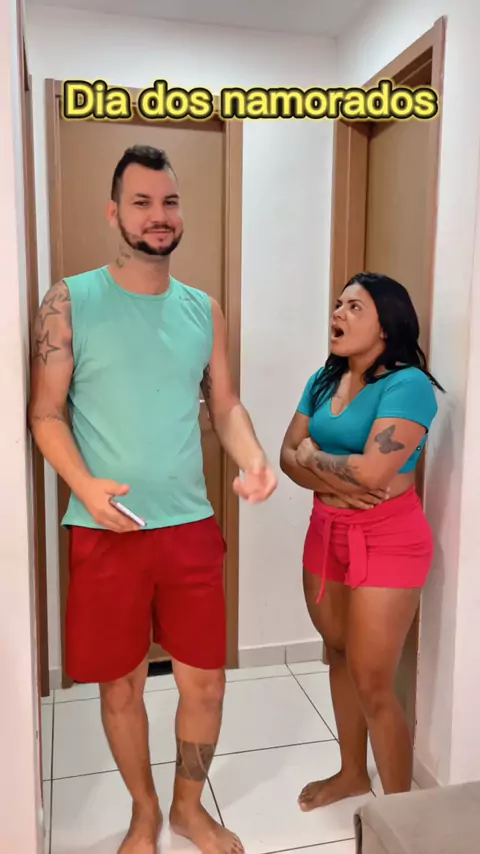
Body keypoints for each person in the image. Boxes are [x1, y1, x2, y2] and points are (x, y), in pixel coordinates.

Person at [28, 144, 277, 854]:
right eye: (141, 202)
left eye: (168, 202)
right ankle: (145, 811)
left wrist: (254, 457)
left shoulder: (204, 310)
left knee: (206, 686)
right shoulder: (69, 301)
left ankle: (189, 809)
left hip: (190, 528)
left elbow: (225, 405)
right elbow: (45, 413)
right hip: (105, 530)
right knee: (120, 690)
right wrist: (84, 486)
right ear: (114, 213)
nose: (157, 215)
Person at [280, 272, 443, 812]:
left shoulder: (408, 386)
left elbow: (373, 473)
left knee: (374, 681)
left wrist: (314, 458)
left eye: (355, 307)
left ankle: (402, 818)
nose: (339, 313)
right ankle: (352, 773)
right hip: (326, 531)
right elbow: (286, 456)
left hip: (389, 538)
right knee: (339, 653)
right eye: (338, 304)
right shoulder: (323, 380)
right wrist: (333, 473)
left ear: (386, 325)